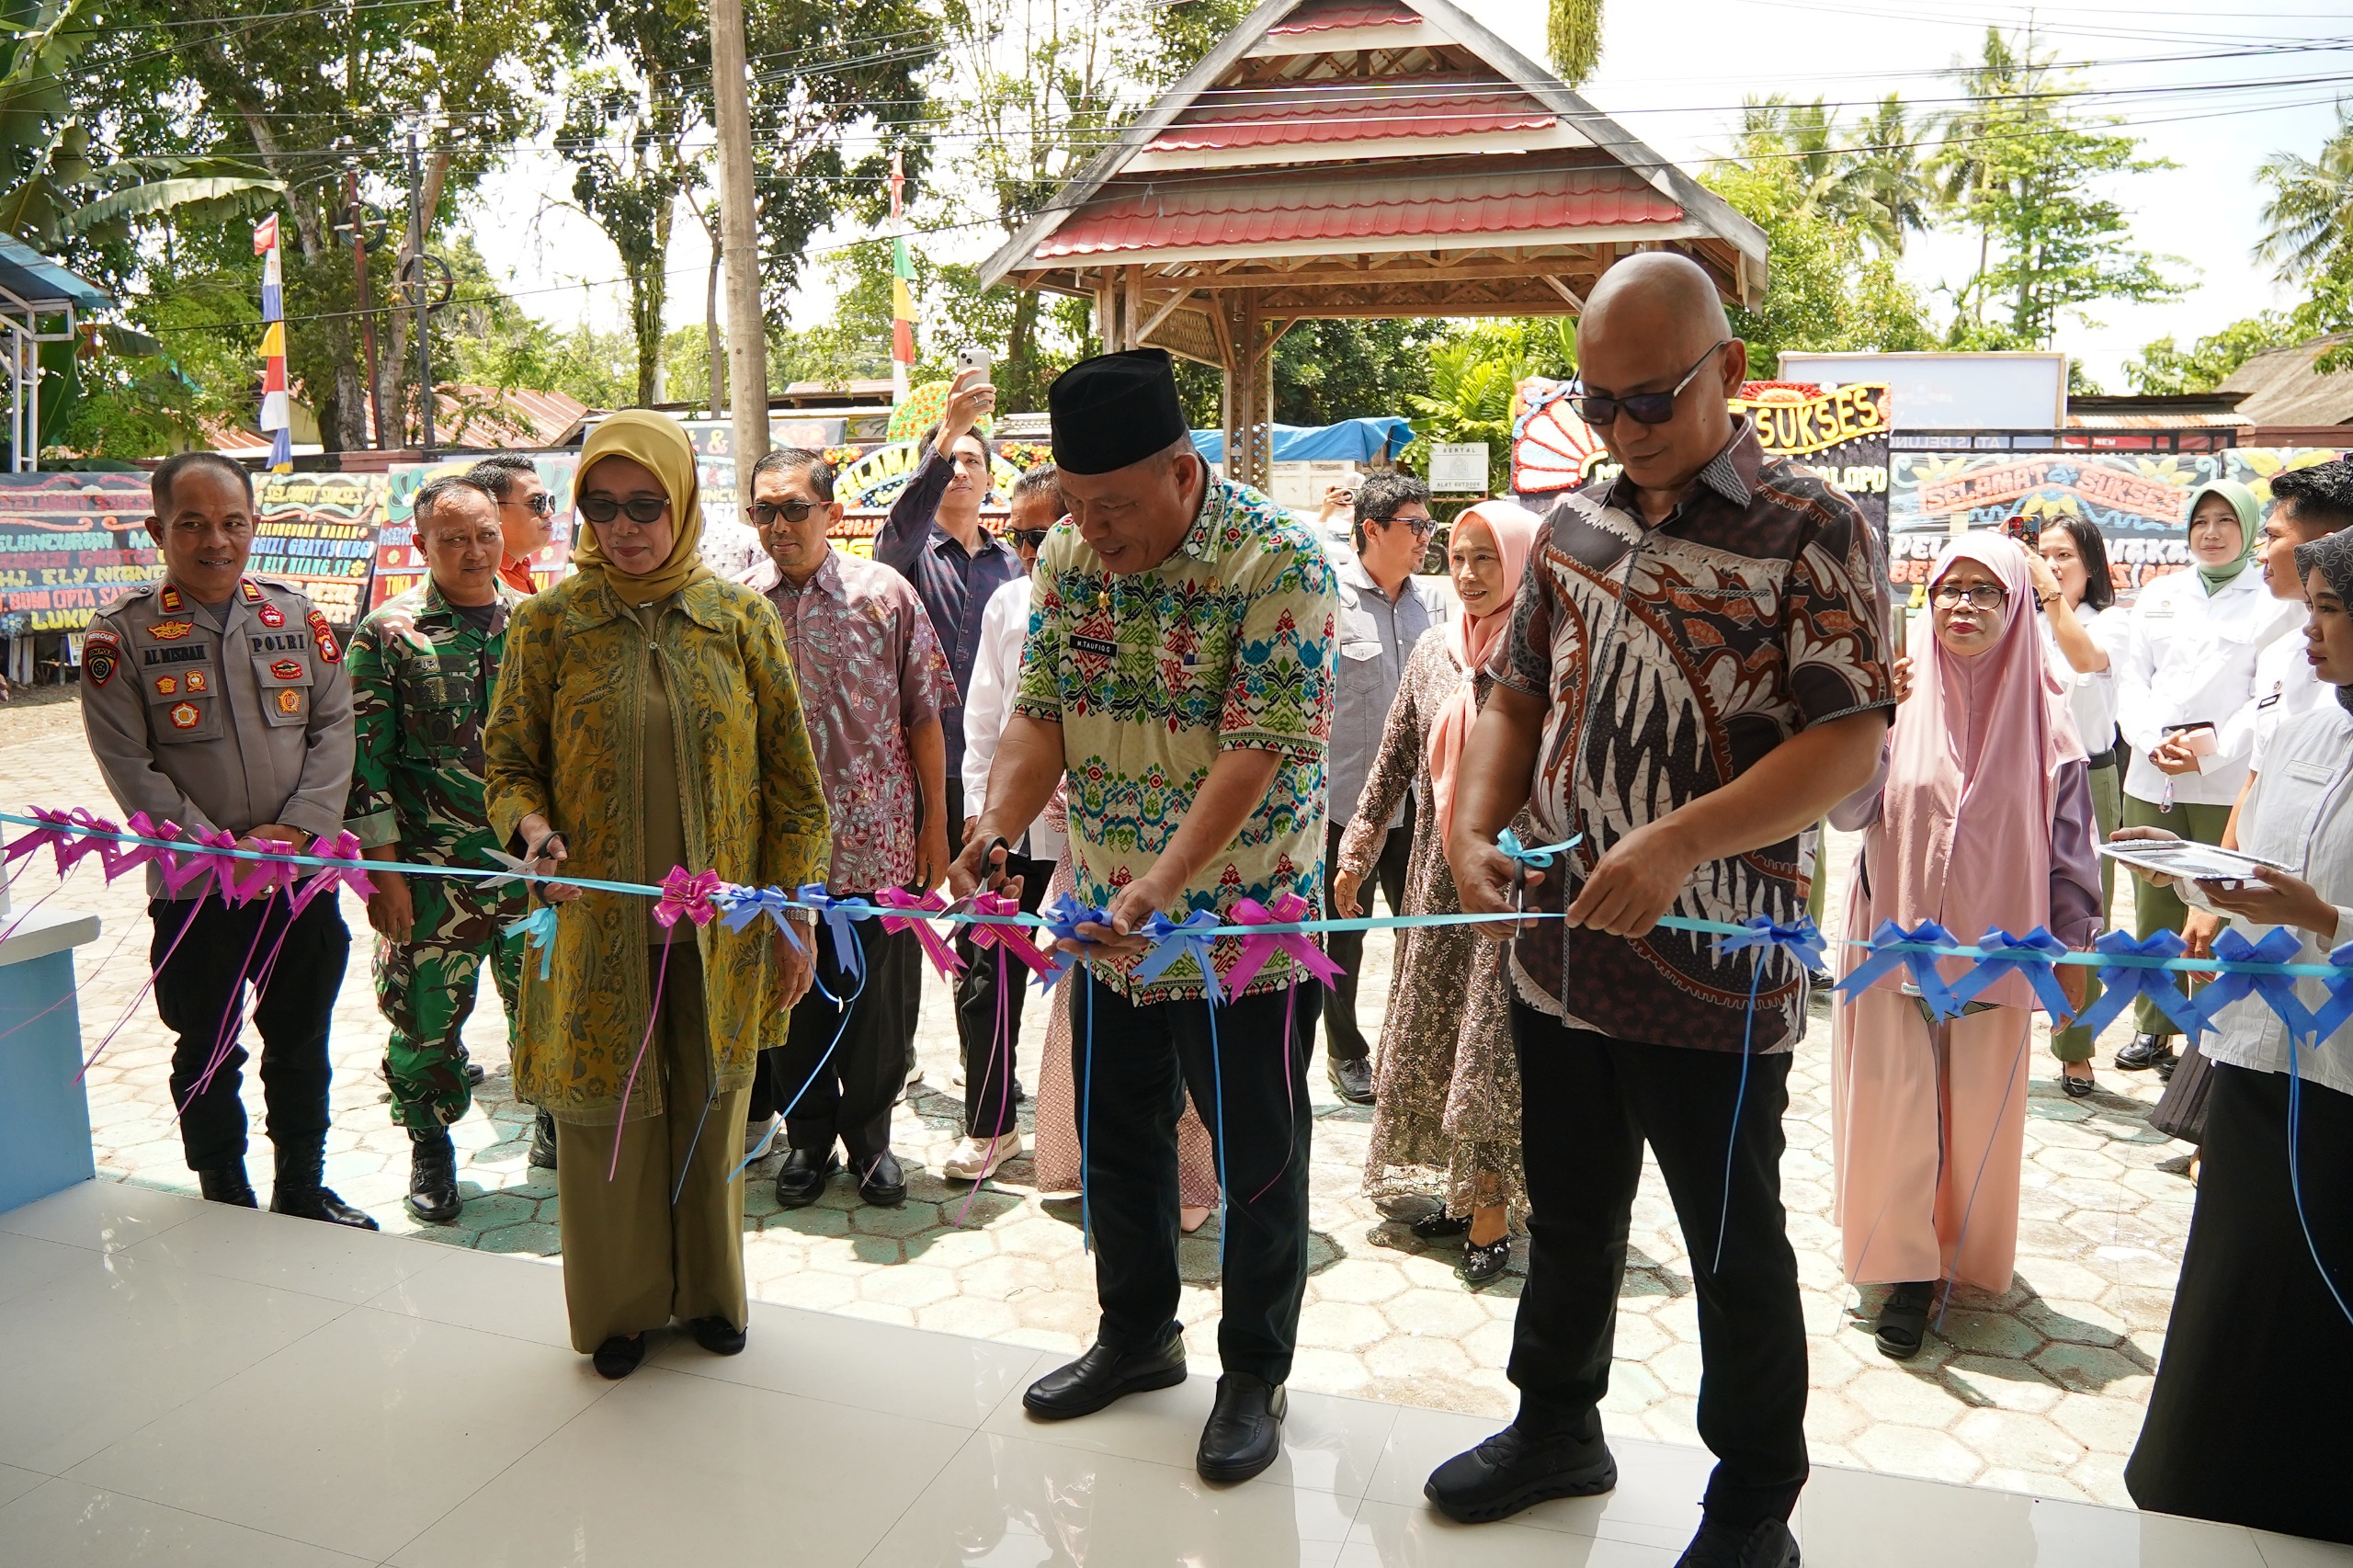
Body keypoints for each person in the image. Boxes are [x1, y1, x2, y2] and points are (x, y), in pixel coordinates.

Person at [1428, 254, 1894, 1568]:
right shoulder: (1573, 525)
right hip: (1560, 949)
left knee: (1732, 1239)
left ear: (1730, 372)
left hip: (1717, 968)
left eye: (1652, 401)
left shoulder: (1816, 529)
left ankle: (1753, 1501)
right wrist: (1471, 827)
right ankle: (1556, 1424)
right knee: (1571, 1209)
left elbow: (1847, 743)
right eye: (1600, 404)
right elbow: (1514, 696)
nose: (1624, 430)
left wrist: (1680, 843)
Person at [950, 347, 1336, 1486]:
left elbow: (1260, 749)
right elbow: (1045, 713)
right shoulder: (1068, 554)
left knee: (1258, 1158)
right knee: (1117, 1140)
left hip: (1235, 930)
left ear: (1182, 470)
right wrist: (997, 824)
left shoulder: (1279, 562)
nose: (1092, 530)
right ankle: (1137, 1336)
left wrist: (1167, 881)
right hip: (1105, 922)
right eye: (1074, 505)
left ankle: (1253, 1373)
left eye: (1114, 506)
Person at [483, 410, 830, 1379]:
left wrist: (793, 913)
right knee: (608, 1117)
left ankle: (710, 1293)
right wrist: (531, 827)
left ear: (681, 502)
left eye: (646, 505)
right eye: (602, 505)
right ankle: (620, 1308)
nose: (625, 526)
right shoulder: (550, 625)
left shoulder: (737, 617)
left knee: (714, 1104)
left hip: (722, 933)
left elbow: (794, 784)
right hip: (595, 927)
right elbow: (507, 760)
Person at [2121, 524, 2353, 1545]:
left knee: (2318, 1303)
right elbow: (2255, 853)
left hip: (2347, 1079)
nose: (2310, 632)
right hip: (2264, 1058)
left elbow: (2314, 904)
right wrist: (2198, 876)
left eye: (2332, 611)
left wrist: (2326, 922)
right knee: (2233, 1281)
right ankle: (2192, 1487)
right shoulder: (2310, 728)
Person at [80, 451, 372, 1227]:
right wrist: (221, 850)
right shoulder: (121, 636)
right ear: (157, 531)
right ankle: (225, 1199)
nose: (217, 540)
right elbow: (126, 761)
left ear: (253, 525)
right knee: (205, 1047)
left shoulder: (297, 617)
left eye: (233, 522)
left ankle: (302, 1191)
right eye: (193, 524)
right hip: (197, 889)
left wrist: (301, 828)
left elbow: (334, 725)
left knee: (301, 1039)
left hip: (297, 878)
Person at [1827, 535, 2099, 1359]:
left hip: (1999, 953)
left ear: (2019, 606)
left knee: (1973, 1114)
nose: (1965, 608)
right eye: (1951, 590)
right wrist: (1873, 721)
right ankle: (1906, 1273)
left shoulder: (2051, 717)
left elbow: (2073, 855)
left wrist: (2073, 959)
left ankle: (1960, 1254)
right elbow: (1846, 816)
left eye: (1987, 592)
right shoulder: (1898, 699)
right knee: (1897, 1109)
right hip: (1889, 944)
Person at [737, 447, 954, 1210]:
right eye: (764, 510)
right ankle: (807, 1141)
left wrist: (936, 829)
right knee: (792, 1001)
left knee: (878, 1007)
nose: (780, 525)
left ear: (830, 512)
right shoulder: (739, 606)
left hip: (882, 846)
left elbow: (924, 717)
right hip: (779, 859)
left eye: (795, 508)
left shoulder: (884, 594)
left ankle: (872, 1142)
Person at [1335, 500, 1540, 1285]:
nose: (1468, 574)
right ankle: (1457, 1192)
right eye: (1456, 558)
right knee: (1435, 1034)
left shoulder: (1545, 652)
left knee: (1488, 1052)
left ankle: (1491, 1205)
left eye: (1487, 558)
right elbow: (1392, 761)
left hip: (1508, 890)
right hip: (1434, 880)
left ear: (1521, 562)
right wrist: (1355, 854)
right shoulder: (1431, 650)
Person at [344, 476, 529, 1224]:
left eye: (485, 534)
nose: (473, 551)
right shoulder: (388, 634)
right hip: (430, 878)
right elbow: (366, 763)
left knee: (545, 1006)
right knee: (424, 1021)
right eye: (452, 538)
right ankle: (429, 1143)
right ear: (421, 545)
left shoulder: (536, 625)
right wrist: (384, 876)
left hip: (529, 875)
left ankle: (552, 1123)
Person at [2109, 479, 2300, 1080]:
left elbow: (2265, 697)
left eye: (2227, 521)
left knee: (2219, 908)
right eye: (2200, 521)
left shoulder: (2276, 600)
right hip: (2152, 774)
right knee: (2153, 910)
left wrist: (2208, 751)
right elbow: (2132, 681)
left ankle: (2210, 1047)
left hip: (2223, 783)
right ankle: (2156, 1028)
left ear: (2248, 529)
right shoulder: (2160, 594)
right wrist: (2148, 740)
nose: (2212, 533)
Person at [944, 461, 1064, 1183]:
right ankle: (992, 1126)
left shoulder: (1122, 598)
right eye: (1017, 536)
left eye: (1042, 535)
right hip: (1011, 828)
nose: (1028, 552)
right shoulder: (1008, 606)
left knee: (1097, 974)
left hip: (1093, 827)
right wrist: (980, 817)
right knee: (985, 972)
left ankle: (1086, 1133)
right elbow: (983, 716)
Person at [1321, 472, 1449, 1105]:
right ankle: (1346, 1053)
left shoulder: (1434, 607)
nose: (1427, 538)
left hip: (1423, 808)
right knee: (1341, 938)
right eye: (1414, 525)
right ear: (1371, 529)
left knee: (1421, 936)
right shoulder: (1327, 599)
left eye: (1429, 526)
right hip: (1345, 808)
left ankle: (1412, 1049)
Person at [874, 364, 1026, 837]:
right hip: (916, 760)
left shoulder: (1015, 566)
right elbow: (897, 532)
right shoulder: (905, 555)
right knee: (904, 901)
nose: (960, 471)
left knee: (989, 900)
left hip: (993, 762)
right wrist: (948, 432)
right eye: (950, 460)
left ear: (990, 480)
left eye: (973, 461)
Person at [468, 453, 562, 1167]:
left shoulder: (540, 605)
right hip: (447, 847)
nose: (548, 514)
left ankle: (550, 1114)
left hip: (533, 847)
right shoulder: (401, 626)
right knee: (429, 1002)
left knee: (538, 982)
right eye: (535, 502)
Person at [2025, 517, 2127, 1095]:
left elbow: (2086, 660)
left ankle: (2076, 1048)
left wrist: (2047, 592)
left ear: (2090, 563)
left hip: (2088, 776)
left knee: (2082, 916)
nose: (2054, 564)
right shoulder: (2019, 619)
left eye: (2064, 554)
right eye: (2044, 554)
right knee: (2013, 899)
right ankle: (2000, 1024)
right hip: (2023, 778)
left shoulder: (2111, 622)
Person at [466, 453, 558, 597]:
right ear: (493, 509)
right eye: (537, 503)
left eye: (549, 501)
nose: (548, 511)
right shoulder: (479, 580)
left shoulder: (519, 570)